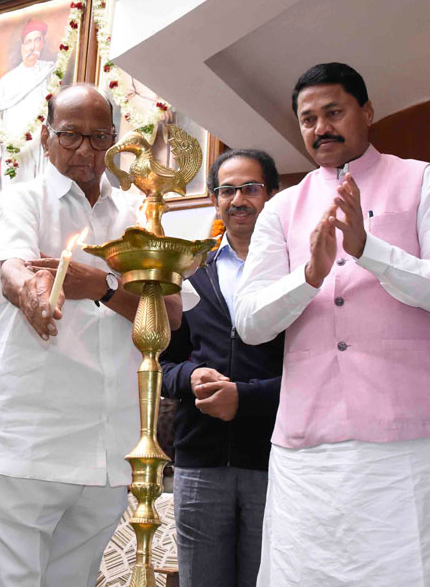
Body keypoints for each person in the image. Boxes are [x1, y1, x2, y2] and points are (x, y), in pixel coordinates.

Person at [235, 62, 430, 587]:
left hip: (414, 442)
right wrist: (308, 276)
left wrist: (374, 253)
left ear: (366, 112)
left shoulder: (421, 180)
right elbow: (251, 322)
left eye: (333, 112)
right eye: (307, 119)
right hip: (311, 447)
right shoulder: (281, 209)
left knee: (420, 572)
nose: (320, 127)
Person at [0, 84, 195, 587]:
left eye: (98, 136)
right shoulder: (20, 200)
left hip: (106, 447)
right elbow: (10, 268)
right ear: (46, 138)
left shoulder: (134, 215)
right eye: (70, 136)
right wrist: (33, 297)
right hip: (23, 440)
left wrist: (102, 288)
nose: (85, 150)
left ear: (114, 141)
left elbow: (170, 314)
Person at [161, 148, 284, 587]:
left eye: (250, 188)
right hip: (198, 463)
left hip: (274, 461)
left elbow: (313, 372)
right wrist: (190, 377)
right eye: (226, 190)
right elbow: (163, 361)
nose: (238, 200)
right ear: (214, 199)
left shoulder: (295, 274)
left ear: (273, 194)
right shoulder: (188, 274)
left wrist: (244, 398)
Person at [0, 20, 56, 200]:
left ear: (42, 44)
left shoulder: (50, 73)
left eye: (37, 40)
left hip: (41, 149)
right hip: (13, 152)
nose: (33, 46)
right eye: (29, 41)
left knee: (40, 200)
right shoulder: (7, 81)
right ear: (22, 46)